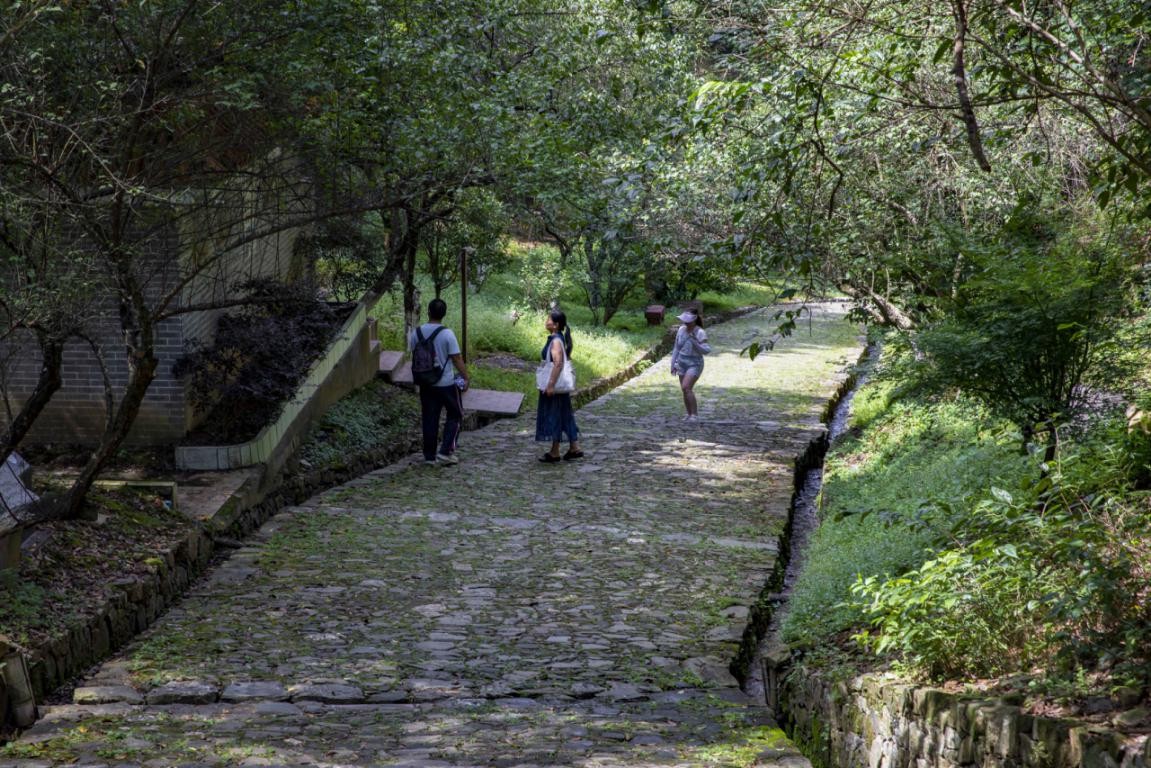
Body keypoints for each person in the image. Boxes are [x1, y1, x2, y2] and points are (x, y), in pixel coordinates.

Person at [410, 298, 470, 466]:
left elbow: (413, 354)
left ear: (428, 312)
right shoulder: (447, 334)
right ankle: (445, 452)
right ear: (444, 314)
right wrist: (465, 377)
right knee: (456, 414)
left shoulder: (416, 333)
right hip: (446, 384)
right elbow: (457, 358)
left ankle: (429, 456)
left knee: (429, 418)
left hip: (425, 383)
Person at [536, 309, 584, 463]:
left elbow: (558, 364)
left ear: (555, 325)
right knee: (564, 414)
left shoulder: (556, 341)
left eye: (549, 319)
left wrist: (550, 384)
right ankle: (573, 447)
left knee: (555, 415)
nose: (546, 321)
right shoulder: (558, 338)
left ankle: (556, 451)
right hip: (559, 386)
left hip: (555, 386)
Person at [669, 310, 711, 421]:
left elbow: (706, 350)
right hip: (682, 362)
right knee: (684, 390)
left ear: (694, 320)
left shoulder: (700, 332)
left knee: (686, 387)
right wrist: (673, 364)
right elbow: (676, 348)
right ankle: (689, 413)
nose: (685, 323)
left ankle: (694, 415)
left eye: (688, 321)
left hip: (695, 363)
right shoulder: (681, 330)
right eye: (684, 320)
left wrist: (695, 342)